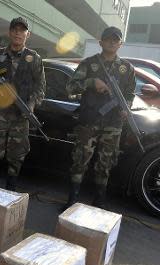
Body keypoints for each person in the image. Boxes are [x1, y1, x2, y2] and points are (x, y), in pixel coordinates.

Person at [65, 26, 136, 209]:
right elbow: (70, 88)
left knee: (105, 164)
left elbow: (129, 94)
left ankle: (99, 202)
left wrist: (126, 108)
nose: (112, 42)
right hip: (89, 120)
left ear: (121, 43)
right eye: (108, 39)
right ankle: (72, 200)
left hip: (113, 124)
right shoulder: (89, 63)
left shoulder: (127, 69)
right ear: (101, 42)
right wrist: (91, 82)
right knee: (80, 160)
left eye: (115, 39)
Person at [0, 17, 45, 191]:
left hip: (20, 117)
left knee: (16, 157)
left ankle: (9, 195)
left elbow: (40, 88)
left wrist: (31, 105)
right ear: (9, 32)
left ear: (27, 34)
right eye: (14, 29)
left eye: (21, 30)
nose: (17, 33)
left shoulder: (34, 58)